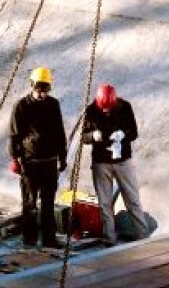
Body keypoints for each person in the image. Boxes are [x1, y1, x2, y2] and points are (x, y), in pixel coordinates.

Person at [81, 81, 149, 244]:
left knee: (132, 200)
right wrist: (92, 136)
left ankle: (143, 236)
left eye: (108, 109)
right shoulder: (91, 110)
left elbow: (134, 132)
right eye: (103, 109)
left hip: (122, 161)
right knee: (104, 203)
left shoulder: (125, 107)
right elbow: (84, 136)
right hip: (101, 163)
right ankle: (109, 239)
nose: (106, 111)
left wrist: (122, 136)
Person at [10, 66, 68, 248]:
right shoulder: (21, 106)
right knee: (29, 203)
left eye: (45, 90)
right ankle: (29, 239)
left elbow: (60, 131)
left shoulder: (53, 104)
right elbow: (14, 134)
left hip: (50, 162)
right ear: (32, 86)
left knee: (48, 203)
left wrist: (62, 156)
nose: (42, 94)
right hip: (30, 163)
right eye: (39, 90)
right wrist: (14, 158)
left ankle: (49, 239)